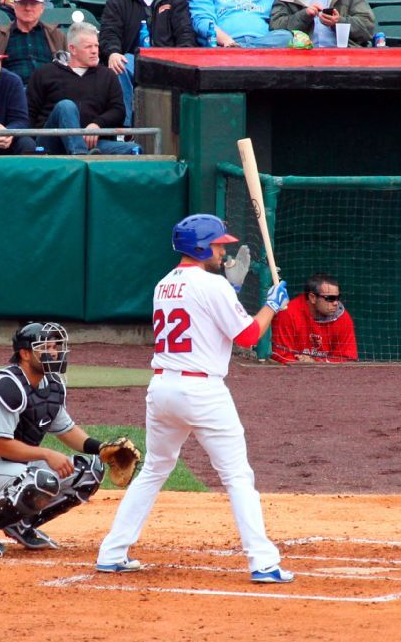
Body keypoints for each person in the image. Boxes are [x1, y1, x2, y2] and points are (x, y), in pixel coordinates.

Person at [96, 214, 294, 583]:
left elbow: (203, 317)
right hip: (202, 391)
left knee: (155, 468)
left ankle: (113, 552)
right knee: (237, 475)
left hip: (162, 390)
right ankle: (263, 563)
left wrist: (231, 290)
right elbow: (249, 336)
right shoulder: (211, 285)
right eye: (219, 244)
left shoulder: (163, 284)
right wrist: (272, 305)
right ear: (202, 247)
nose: (224, 250)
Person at [0, 322, 115, 558]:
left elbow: (67, 430)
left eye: (55, 346)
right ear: (25, 353)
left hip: (16, 469)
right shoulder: (7, 387)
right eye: (45, 347)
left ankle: (20, 524)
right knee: (41, 480)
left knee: (89, 471)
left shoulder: (52, 386)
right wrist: (46, 454)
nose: (53, 352)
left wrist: (101, 449)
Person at [100, 0, 196, 126]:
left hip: (168, 61)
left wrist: (183, 57)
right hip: (133, 61)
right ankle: (126, 128)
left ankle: (180, 127)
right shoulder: (118, 0)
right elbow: (109, 33)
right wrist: (113, 52)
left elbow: (185, 33)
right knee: (120, 63)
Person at [27, 21, 136, 155]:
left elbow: (118, 111)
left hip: (95, 144)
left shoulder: (107, 75)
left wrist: (97, 124)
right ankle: (81, 157)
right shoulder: (44, 73)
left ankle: (83, 154)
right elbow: (30, 113)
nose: (95, 51)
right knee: (66, 106)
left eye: (96, 45)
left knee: (133, 150)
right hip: (53, 143)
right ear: (72, 49)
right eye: (88, 47)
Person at [0, 0, 66, 86]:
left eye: (33, 4)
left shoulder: (57, 36)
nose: (28, 8)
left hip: (50, 90)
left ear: (42, 8)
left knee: (66, 103)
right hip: (13, 91)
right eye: (23, 3)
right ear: (14, 6)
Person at [270, 272, 358, 363]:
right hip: (290, 373)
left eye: (337, 298)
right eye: (330, 298)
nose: (335, 303)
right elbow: (280, 355)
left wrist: (316, 362)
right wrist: (301, 364)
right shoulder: (288, 314)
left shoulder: (342, 317)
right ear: (312, 297)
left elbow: (348, 359)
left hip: (329, 374)